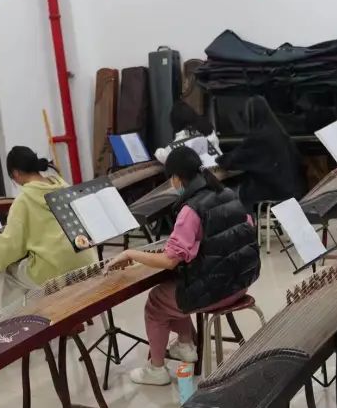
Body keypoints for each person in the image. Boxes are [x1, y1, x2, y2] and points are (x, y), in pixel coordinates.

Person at [109, 146, 260, 386]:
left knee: (156, 302)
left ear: (177, 178)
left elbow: (170, 261)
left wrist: (130, 253)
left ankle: (156, 369)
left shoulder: (191, 209)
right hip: (241, 281)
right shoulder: (228, 193)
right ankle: (185, 344)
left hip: (217, 293)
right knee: (175, 286)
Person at [0, 147, 92, 301]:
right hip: (87, 261)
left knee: (12, 272)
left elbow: (7, 248)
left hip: (57, 270)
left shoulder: (24, 200)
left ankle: (19, 316)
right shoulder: (63, 185)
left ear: (15, 173)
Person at [215, 95, 304, 213]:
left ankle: (247, 221)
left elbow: (232, 160)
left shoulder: (259, 138)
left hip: (273, 192)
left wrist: (219, 159)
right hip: (291, 190)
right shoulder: (281, 135)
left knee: (230, 195)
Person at [154, 100, 221, 165]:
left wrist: (158, 151)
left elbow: (165, 156)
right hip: (220, 166)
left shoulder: (183, 136)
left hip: (206, 170)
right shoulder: (207, 128)